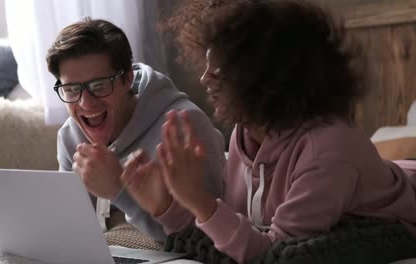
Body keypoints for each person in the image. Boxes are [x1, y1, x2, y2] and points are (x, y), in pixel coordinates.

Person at [122, 0, 416, 262]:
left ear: (271, 75)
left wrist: (199, 199)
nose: (204, 78)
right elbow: (234, 232)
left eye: (221, 67)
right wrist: (164, 205)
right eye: (206, 63)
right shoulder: (245, 132)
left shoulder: (328, 149)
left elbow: (273, 254)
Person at [45, 18, 225, 243]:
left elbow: (206, 243)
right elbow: (72, 233)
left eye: (99, 86)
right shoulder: (71, 135)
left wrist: (120, 191)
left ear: (127, 78)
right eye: (71, 89)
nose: (86, 104)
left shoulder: (184, 127)